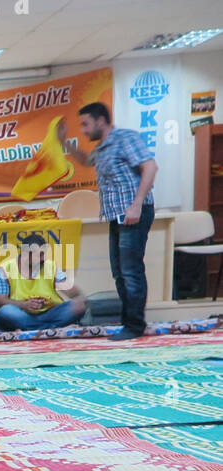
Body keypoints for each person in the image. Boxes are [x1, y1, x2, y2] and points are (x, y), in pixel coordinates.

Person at [66, 102, 157, 340]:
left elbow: (150, 166)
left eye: (86, 124)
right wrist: (64, 142)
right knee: (119, 272)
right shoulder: (102, 147)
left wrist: (137, 204)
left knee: (131, 271)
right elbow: (86, 161)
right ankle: (129, 323)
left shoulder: (125, 138)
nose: (84, 130)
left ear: (101, 121)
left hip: (134, 212)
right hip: (116, 216)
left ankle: (135, 326)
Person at [0, 233, 87, 331]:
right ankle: (51, 329)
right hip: (22, 313)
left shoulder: (50, 266)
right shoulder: (4, 268)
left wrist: (79, 297)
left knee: (78, 306)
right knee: (6, 311)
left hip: (50, 313)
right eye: (39, 255)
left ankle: (32, 329)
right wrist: (24, 305)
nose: (43, 258)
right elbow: (1, 300)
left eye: (44, 254)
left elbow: (70, 290)